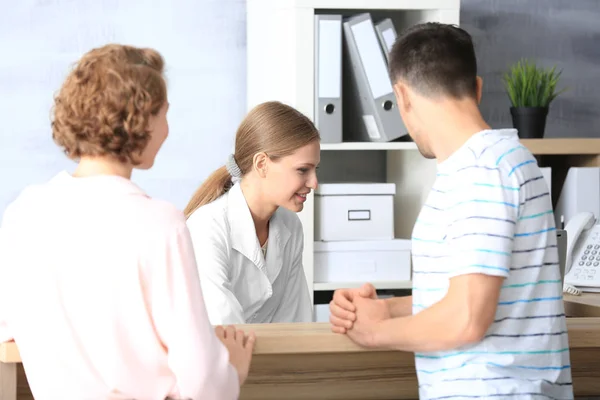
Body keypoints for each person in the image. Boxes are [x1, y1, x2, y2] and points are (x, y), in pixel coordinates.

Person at [329, 23, 573, 400]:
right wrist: (384, 310)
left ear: (402, 96)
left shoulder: (480, 172)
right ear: (476, 88)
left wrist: (375, 333)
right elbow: (471, 293)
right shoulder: (498, 162)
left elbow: (466, 318)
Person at [0, 44, 254, 400]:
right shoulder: (160, 224)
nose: (167, 129)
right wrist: (232, 371)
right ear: (142, 120)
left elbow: (8, 326)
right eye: (164, 114)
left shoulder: (23, 213)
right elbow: (204, 384)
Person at [184, 101, 319, 325]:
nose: (314, 183)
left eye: (315, 170)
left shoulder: (290, 225)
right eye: (303, 170)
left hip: (261, 356)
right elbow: (222, 327)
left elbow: (295, 320)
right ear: (262, 164)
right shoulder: (207, 226)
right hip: (216, 356)